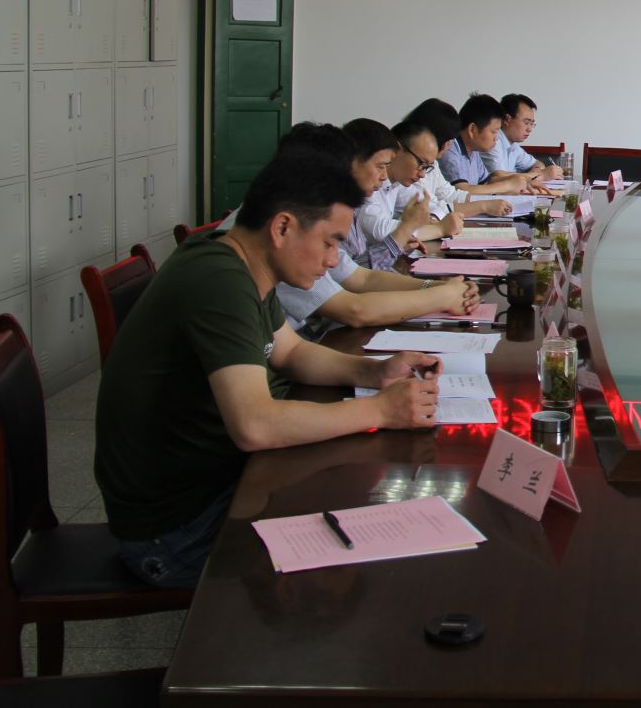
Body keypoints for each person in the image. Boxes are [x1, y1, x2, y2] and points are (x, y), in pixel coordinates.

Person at [94, 153, 444, 588]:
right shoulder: (219, 280)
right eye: (330, 242)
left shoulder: (240, 266)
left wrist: (375, 372)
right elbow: (255, 425)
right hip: (176, 530)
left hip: (216, 482)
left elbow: (290, 352)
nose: (333, 261)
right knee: (372, 553)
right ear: (282, 228)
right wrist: (381, 411)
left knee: (357, 495)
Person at [275, 117, 480, 338]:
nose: (383, 176)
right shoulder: (296, 229)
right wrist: (442, 296)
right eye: (380, 166)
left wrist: (436, 287)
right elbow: (354, 309)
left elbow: (363, 278)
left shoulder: (322, 213)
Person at [359, 119, 468, 270]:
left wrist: (429, 221)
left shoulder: (397, 184)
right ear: (398, 150)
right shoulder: (367, 185)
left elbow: (431, 206)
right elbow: (383, 231)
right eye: (421, 164)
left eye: (427, 167)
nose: (423, 174)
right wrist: (439, 229)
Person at [402, 98, 512, 224]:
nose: (450, 145)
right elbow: (432, 209)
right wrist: (484, 206)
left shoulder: (432, 163)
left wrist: (490, 202)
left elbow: (450, 195)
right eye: (448, 140)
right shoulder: (411, 168)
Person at [438, 93, 537, 194]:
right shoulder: (449, 149)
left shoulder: (473, 150)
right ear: (472, 130)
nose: (497, 138)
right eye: (493, 132)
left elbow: (487, 182)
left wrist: (523, 182)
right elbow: (462, 190)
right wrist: (508, 185)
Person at [488, 93, 562, 181]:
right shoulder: (493, 141)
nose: (529, 129)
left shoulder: (513, 145)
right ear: (507, 119)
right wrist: (540, 175)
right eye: (526, 122)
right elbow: (498, 176)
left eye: (531, 124)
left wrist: (536, 171)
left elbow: (538, 163)